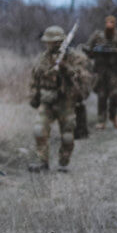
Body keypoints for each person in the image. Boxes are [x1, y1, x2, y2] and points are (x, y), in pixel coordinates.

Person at [27, 25, 91, 173]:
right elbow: (35, 78)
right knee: (39, 130)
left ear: (60, 42)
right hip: (47, 100)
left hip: (66, 101)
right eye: (47, 42)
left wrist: (65, 68)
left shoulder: (75, 57)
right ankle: (42, 162)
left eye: (52, 41)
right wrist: (34, 97)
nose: (49, 44)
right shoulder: (42, 58)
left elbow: (82, 77)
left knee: (68, 135)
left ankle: (64, 162)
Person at [83, 15, 117, 129]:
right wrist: (95, 50)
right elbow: (88, 48)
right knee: (102, 96)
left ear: (115, 24)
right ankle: (101, 120)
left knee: (115, 95)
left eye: (112, 22)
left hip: (115, 72)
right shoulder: (98, 36)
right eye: (108, 22)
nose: (109, 24)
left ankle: (113, 116)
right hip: (101, 70)